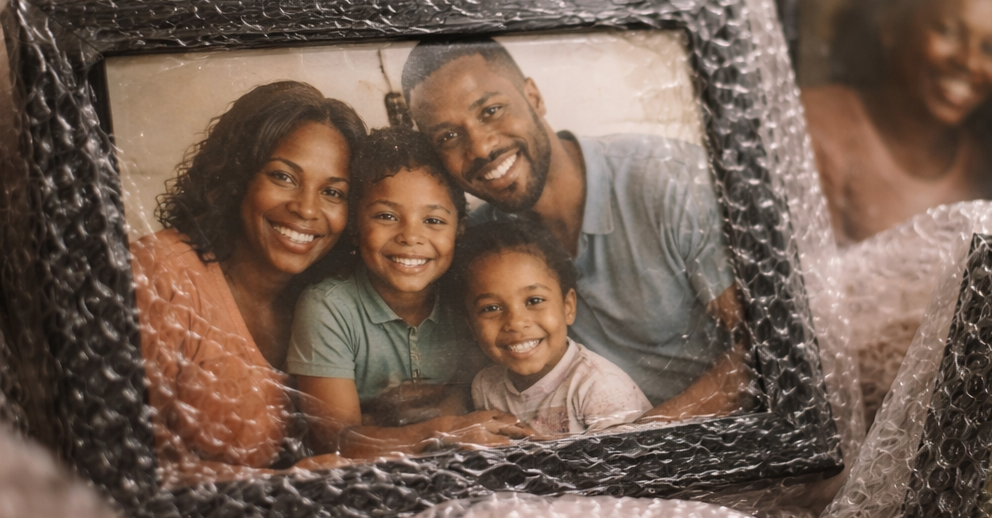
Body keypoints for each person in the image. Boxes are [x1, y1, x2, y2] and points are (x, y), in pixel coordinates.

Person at [398, 37, 745, 422]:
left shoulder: (669, 182)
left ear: (534, 96)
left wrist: (637, 444)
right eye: (448, 136)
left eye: (491, 110)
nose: (479, 148)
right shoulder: (483, 240)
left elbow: (767, 345)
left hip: (722, 443)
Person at [131, 81, 365, 483]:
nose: (306, 208)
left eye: (332, 192)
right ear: (237, 175)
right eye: (283, 177)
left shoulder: (334, 302)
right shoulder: (156, 273)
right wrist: (280, 485)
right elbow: (112, 462)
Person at [286, 126, 534, 459]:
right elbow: (334, 443)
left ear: (459, 230)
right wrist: (441, 431)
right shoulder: (329, 307)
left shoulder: (469, 298)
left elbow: (478, 393)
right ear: (355, 226)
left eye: (433, 220)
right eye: (387, 216)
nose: (410, 237)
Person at [801, 0, 992, 243]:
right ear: (891, 25)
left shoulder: (982, 164)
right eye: (949, 31)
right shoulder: (817, 123)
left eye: (990, 48)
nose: (968, 62)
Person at [458, 217, 652, 436]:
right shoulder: (486, 386)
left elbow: (626, 465)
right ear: (471, 326)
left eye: (534, 301)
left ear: (568, 307)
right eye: (491, 308)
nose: (515, 322)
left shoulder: (599, 387)